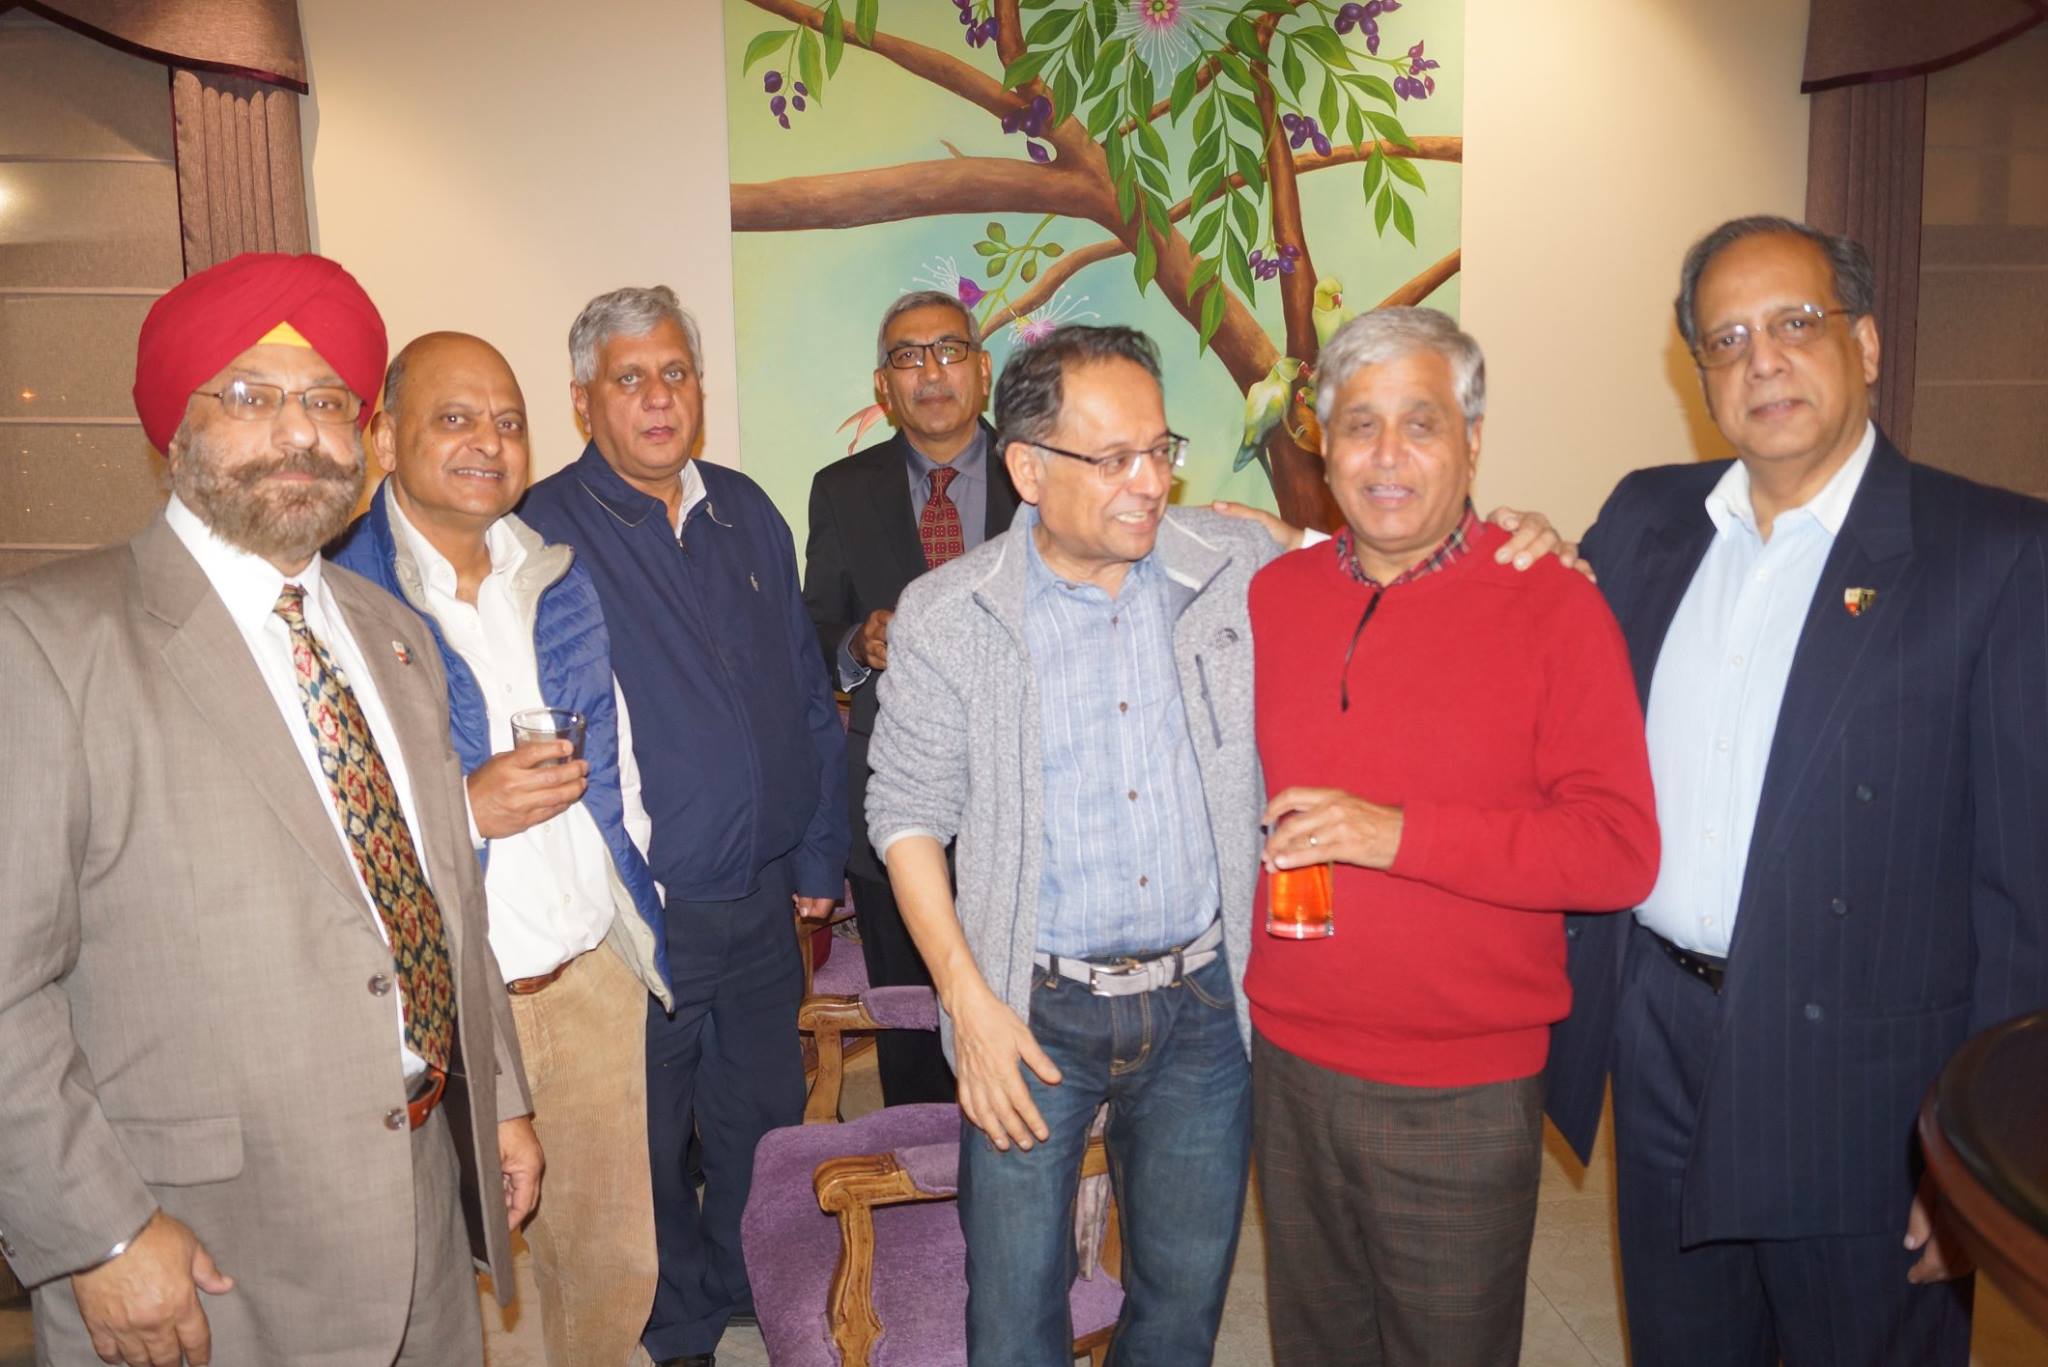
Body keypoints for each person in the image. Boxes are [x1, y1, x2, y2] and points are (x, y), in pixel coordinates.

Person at [0, 253, 539, 1367]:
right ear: (176, 426)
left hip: (422, 1215)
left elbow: (440, 899)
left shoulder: (392, 637)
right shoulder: (49, 640)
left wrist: (496, 1098)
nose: (299, 431)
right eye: (250, 395)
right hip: (202, 1253)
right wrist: (98, 1231)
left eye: (328, 401)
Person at [1546, 215, 2048, 1366]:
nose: (1760, 359)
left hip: (1866, 1092)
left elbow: (2026, 896)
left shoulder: (1995, 552)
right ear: (1699, 376)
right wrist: (1300, 545)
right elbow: (1511, 637)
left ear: (1863, 343)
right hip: (1661, 1039)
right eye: (1725, 339)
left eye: (1793, 323)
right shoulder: (1644, 520)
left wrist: (1975, 1156)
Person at [1245, 307, 1659, 1365]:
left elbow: (1618, 851)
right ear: (1322, 447)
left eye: (1420, 424)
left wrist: (1396, 834)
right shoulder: (1272, 594)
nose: (1386, 455)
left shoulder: (1554, 605)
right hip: (1288, 1061)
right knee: (1315, 1348)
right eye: (1359, 424)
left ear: (1472, 440)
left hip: (1460, 1087)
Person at [518, 286, 847, 1367]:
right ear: (583, 401)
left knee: (760, 1110)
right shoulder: (543, 530)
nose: (658, 398)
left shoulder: (744, 508)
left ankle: (749, 1280)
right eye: (630, 378)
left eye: (674, 374)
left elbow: (803, 687)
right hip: (641, 905)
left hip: (760, 889)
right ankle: (676, 1322)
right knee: (647, 1134)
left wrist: (815, 847)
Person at [329, 331, 673, 1366]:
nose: (488, 440)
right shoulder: (338, 600)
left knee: (612, 1268)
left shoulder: (556, 574)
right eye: (455, 418)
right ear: (384, 437)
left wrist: (631, 905)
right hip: (455, 1006)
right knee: (484, 1286)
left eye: (508, 421)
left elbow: (617, 755)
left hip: (590, 978)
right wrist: (464, 806)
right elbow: (315, 821)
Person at [801, 289, 1019, 1105]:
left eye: (949, 350)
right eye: (907, 356)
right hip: (894, 812)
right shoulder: (841, 489)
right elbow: (812, 627)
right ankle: (923, 1175)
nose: (930, 371)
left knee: (1028, 1027)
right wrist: (857, 644)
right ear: (883, 385)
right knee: (915, 1045)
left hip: (1025, 806)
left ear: (983, 370)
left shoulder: (1041, 473)